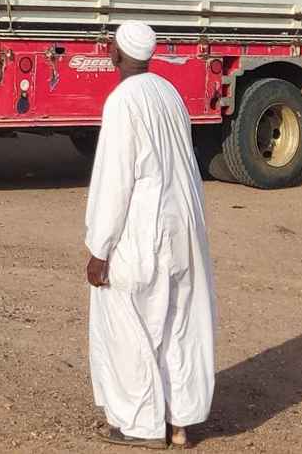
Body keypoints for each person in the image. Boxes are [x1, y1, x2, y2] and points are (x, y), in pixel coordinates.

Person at [84, 22, 216, 450]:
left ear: (117, 54)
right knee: (177, 324)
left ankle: (140, 424)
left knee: (130, 325)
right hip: (183, 229)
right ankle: (179, 423)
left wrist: (100, 248)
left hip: (143, 231)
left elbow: (115, 178)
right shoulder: (168, 92)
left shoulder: (123, 100)